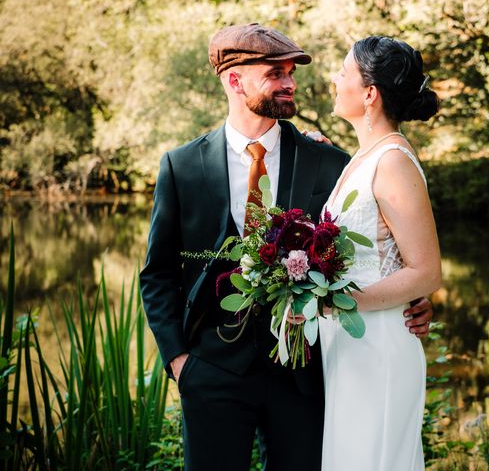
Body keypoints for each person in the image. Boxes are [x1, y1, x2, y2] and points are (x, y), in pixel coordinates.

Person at [139, 24, 433, 471]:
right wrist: (180, 361)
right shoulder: (182, 166)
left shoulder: (331, 162)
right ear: (235, 81)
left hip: (307, 376)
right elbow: (158, 273)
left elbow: (381, 239)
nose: (290, 83)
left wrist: (412, 297)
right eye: (276, 73)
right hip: (213, 373)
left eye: (291, 73)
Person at [318, 36, 442, 470]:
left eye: (344, 72)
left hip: (379, 345)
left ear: (369, 93)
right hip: (349, 347)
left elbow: (426, 271)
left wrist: (338, 301)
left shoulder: (393, 161)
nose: (335, 79)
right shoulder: (361, 158)